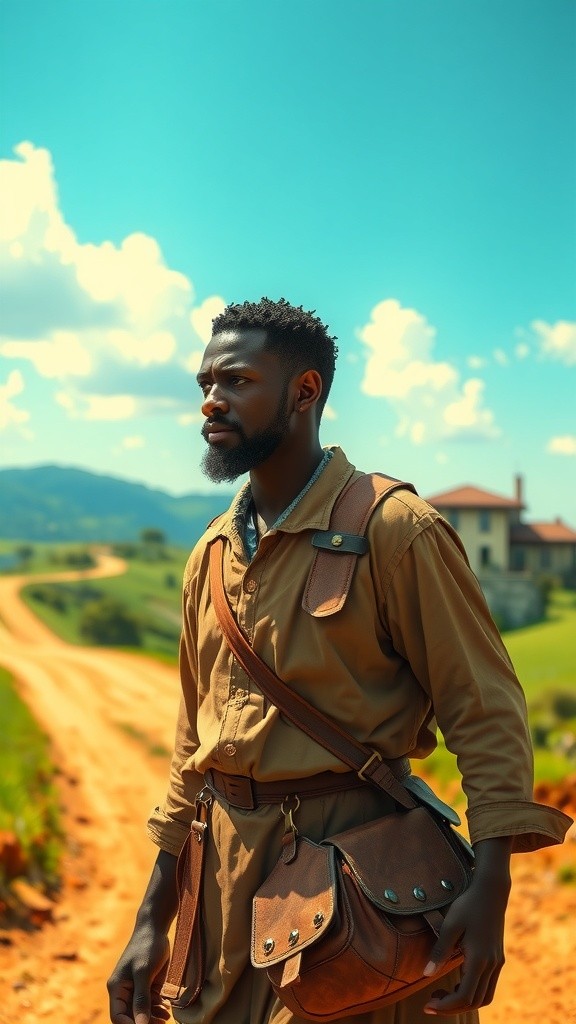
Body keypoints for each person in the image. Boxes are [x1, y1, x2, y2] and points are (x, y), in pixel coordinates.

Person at [107, 297, 571, 1024]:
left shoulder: (396, 530)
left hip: (363, 891)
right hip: (222, 898)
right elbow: (190, 755)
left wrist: (492, 885)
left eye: (235, 381)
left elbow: (484, 712)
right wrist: (149, 919)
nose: (210, 401)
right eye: (204, 384)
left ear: (304, 392)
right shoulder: (210, 556)